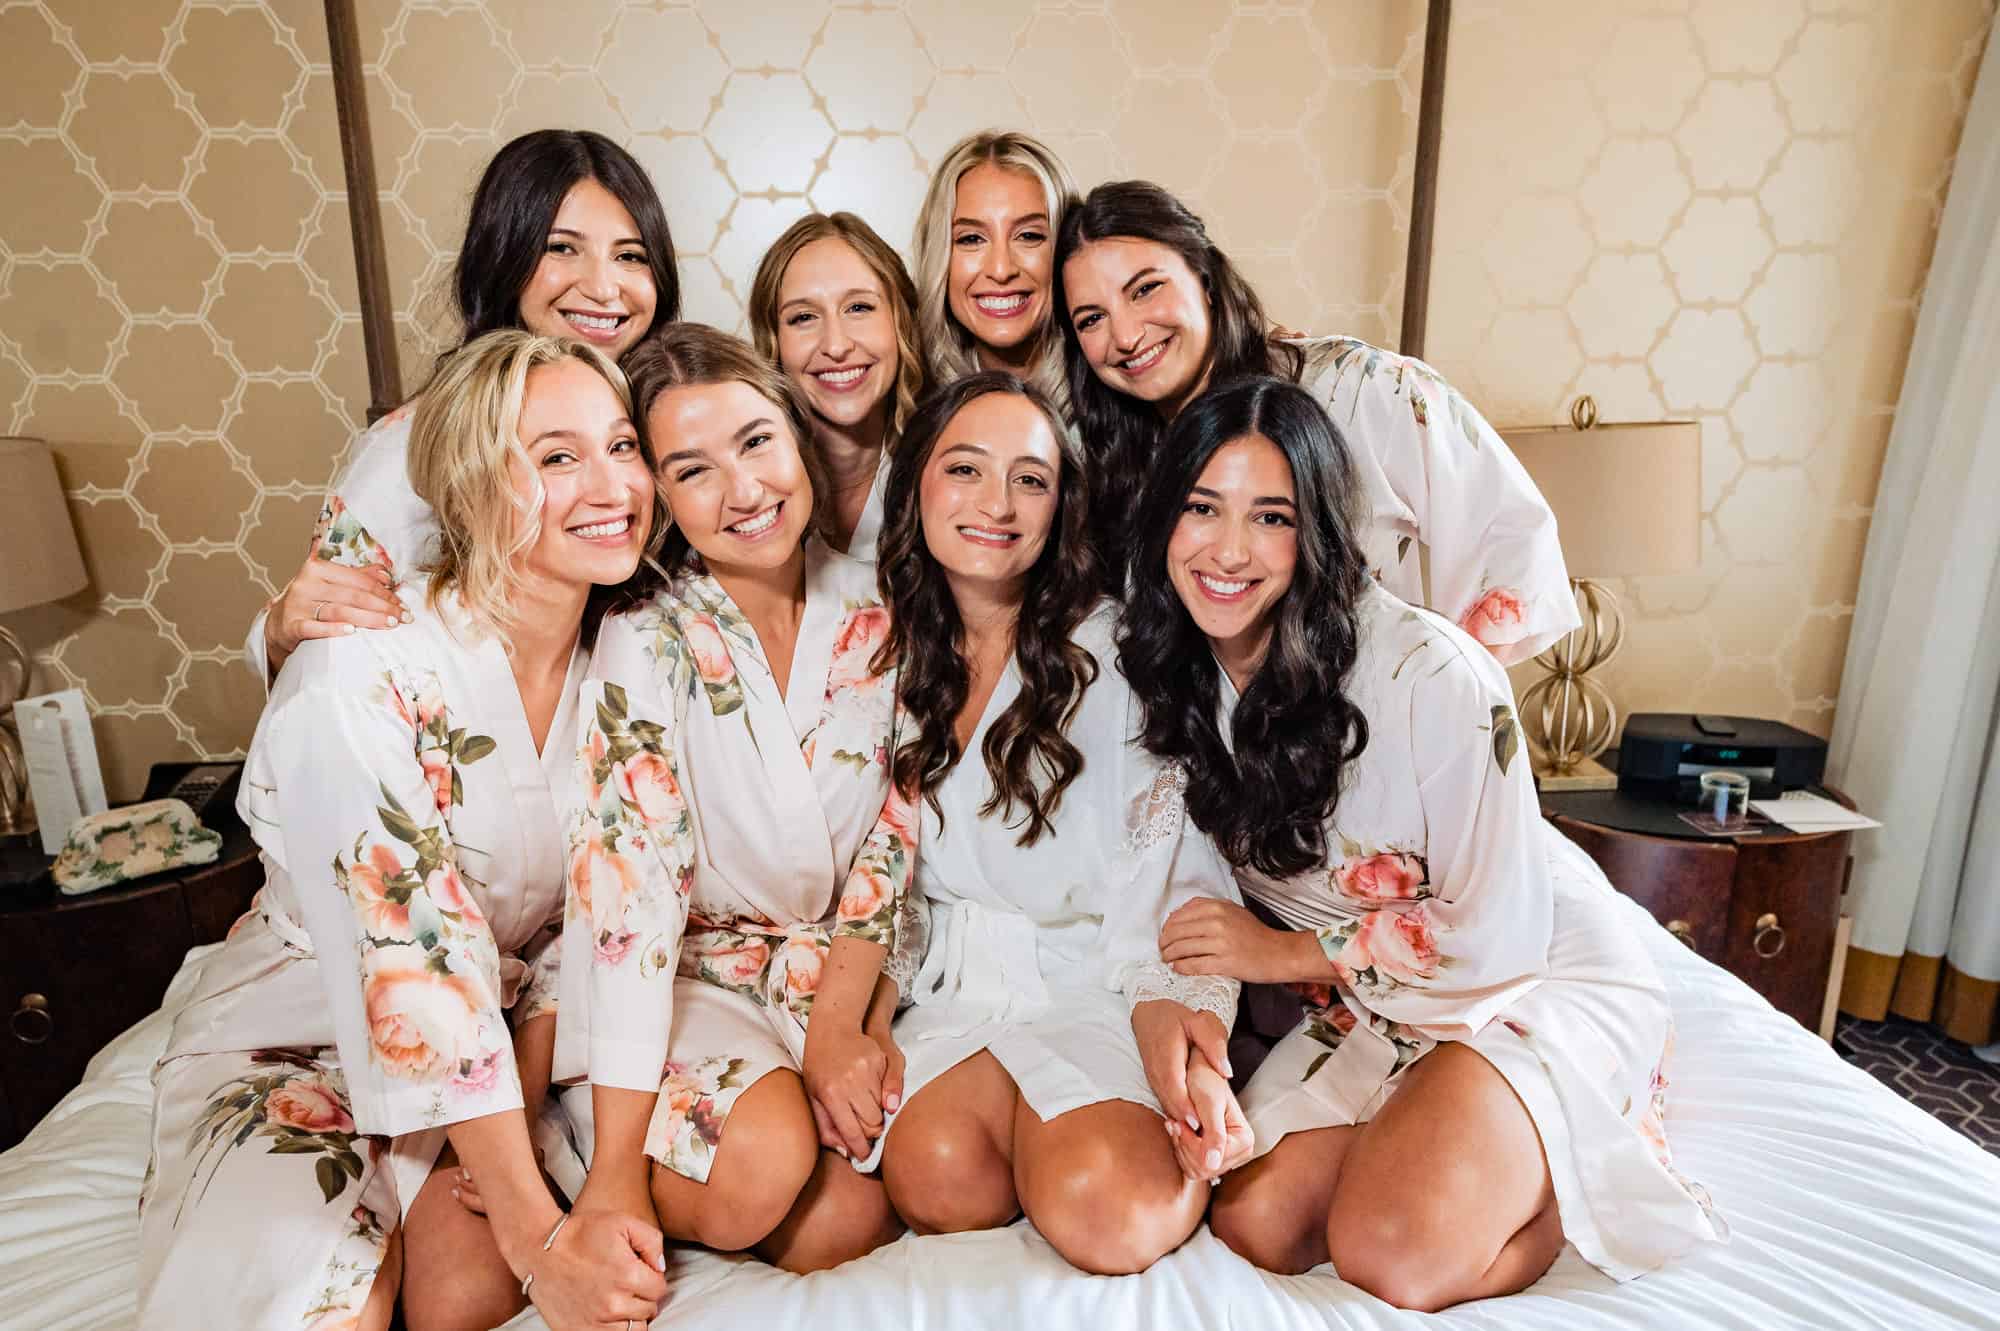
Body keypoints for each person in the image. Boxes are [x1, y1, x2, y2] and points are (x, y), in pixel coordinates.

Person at [1117, 375, 1725, 1310]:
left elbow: (1497, 936)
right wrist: (1193, 1035)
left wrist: (1280, 953)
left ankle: (1572, 1175)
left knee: (1388, 1253)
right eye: (1203, 507)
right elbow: (1178, 890)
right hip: (1376, 996)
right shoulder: (1175, 670)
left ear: (1316, 533)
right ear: (1165, 518)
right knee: (1254, 1221)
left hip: (1521, 977)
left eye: (1271, 517)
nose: (1229, 550)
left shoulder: (1430, 673)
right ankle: (1430, 1137)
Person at [138, 332, 672, 1331]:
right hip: (296, 1032)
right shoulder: (362, 672)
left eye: (622, 444)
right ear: (469, 488)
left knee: (461, 1300)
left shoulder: (628, 660)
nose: (613, 483)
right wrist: (538, 1243)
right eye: (557, 456)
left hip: (486, 1025)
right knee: (311, 1303)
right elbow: (406, 951)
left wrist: (592, 1169)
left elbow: (623, 916)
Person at [861, 371, 1246, 1276]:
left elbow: (1173, 857)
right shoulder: (884, 652)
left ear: (1062, 502)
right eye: (964, 468)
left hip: (1096, 980)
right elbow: (876, 873)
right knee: (935, 1177)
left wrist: (1172, 1019)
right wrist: (871, 1010)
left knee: (1108, 1211)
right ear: (914, 484)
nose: (997, 503)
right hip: (956, 993)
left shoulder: (1112, 650)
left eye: (1030, 478)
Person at [554, 323, 915, 1275]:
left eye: (756, 441)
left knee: (872, 1205)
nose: (745, 490)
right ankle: (574, 1146)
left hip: (839, 967)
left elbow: (898, 824)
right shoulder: (645, 636)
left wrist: (844, 1022)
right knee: (761, 1166)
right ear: (661, 497)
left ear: (797, 434)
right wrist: (618, 1177)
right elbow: (630, 896)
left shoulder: (882, 607)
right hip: (686, 975)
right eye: (694, 469)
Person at [1057, 180, 1577, 663]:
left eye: (1145, 289)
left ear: (1205, 278)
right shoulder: (1102, 458)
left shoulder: (1355, 387)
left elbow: (1512, 533)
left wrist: (1442, 687)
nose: (1125, 335)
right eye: (1092, 318)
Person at [248, 128, 680, 684]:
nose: (603, 286)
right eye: (561, 248)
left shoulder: (673, 417)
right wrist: (281, 633)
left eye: (629, 256)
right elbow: (332, 648)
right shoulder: (410, 446)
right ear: (503, 258)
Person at [747, 211, 926, 558]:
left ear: (900, 323)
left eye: (859, 307)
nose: (836, 345)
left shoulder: (951, 477)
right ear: (775, 342)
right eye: (803, 317)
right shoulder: (744, 489)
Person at [912, 130, 1078, 405]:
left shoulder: (1122, 394)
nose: (1001, 270)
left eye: (1029, 236)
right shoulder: (911, 410)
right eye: (971, 239)